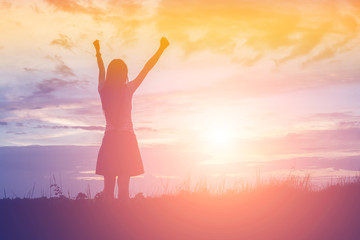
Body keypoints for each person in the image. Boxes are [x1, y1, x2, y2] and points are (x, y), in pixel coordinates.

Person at [93, 37, 170, 201]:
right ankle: (123, 221)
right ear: (124, 73)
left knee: (108, 191)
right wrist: (161, 48)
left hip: (110, 140)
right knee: (123, 190)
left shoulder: (103, 89)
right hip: (126, 140)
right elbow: (146, 68)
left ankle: (105, 223)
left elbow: (100, 70)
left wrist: (98, 52)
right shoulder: (129, 89)